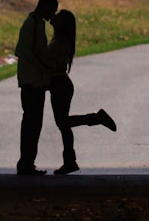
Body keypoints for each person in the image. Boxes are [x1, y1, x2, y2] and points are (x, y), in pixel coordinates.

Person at [47, 9, 117, 175]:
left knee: (63, 123)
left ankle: (96, 118)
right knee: (63, 125)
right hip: (59, 84)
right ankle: (70, 161)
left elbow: (50, 63)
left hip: (59, 84)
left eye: (59, 17)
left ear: (63, 24)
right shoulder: (59, 40)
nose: (54, 17)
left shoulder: (61, 42)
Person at [14, 0, 58, 175]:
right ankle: (26, 163)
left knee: (33, 122)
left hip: (34, 81)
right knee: (32, 123)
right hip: (32, 82)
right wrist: (48, 66)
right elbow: (30, 52)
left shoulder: (36, 24)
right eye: (52, 10)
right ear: (45, 7)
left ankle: (28, 162)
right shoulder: (33, 24)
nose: (53, 15)